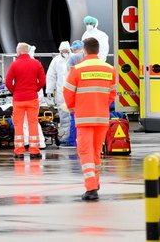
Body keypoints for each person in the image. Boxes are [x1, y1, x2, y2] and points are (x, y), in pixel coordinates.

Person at [63, 37, 117, 201]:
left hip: (84, 117)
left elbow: (67, 92)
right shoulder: (109, 69)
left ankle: (91, 188)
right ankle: (95, 181)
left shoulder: (77, 69)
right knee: (95, 152)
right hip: (101, 117)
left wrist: (74, 108)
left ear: (84, 50)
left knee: (85, 152)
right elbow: (112, 94)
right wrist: (101, 105)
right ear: (98, 50)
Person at [4, 42, 46, 158]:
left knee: (19, 125)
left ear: (19, 51)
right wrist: (35, 89)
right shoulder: (36, 63)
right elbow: (42, 81)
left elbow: (8, 82)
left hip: (18, 99)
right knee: (33, 123)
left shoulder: (15, 65)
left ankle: (19, 151)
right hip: (32, 98)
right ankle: (34, 151)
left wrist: (15, 91)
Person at [46, 41, 72, 143]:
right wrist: (49, 92)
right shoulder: (56, 61)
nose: (65, 52)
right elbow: (51, 77)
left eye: (66, 51)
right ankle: (66, 138)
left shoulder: (74, 59)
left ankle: (74, 138)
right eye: (63, 51)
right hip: (61, 94)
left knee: (74, 118)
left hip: (74, 93)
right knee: (64, 118)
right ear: (60, 51)